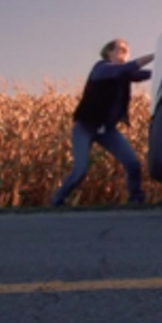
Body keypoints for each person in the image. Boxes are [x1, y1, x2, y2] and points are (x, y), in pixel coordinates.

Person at [50, 38, 154, 206]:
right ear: (108, 53)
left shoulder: (123, 74)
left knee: (132, 163)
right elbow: (130, 68)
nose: (125, 53)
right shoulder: (102, 68)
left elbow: (143, 74)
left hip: (107, 129)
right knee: (80, 170)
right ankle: (57, 200)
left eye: (127, 50)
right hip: (85, 126)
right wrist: (157, 55)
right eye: (121, 49)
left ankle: (135, 199)